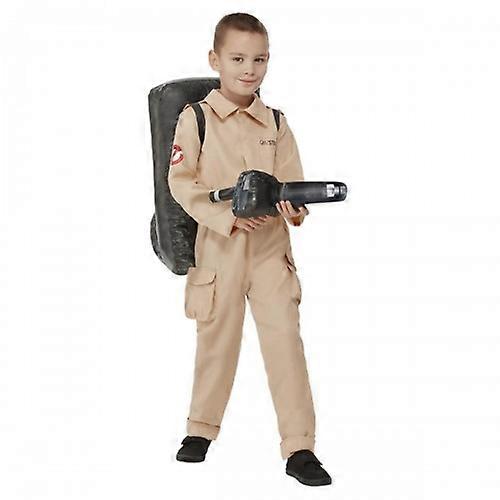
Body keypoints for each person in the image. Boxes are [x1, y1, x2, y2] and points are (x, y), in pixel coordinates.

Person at [168, 12, 332, 487]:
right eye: (238, 58)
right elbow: (181, 183)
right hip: (219, 247)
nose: (249, 69)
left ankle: (300, 447)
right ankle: (201, 428)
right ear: (215, 59)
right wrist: (227, 217)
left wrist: (294, 207)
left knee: (285, 345)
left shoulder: (276, 122)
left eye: (259, 60)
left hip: (269, 251)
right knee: (216, 341)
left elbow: (292, 183)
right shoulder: (196, 118)